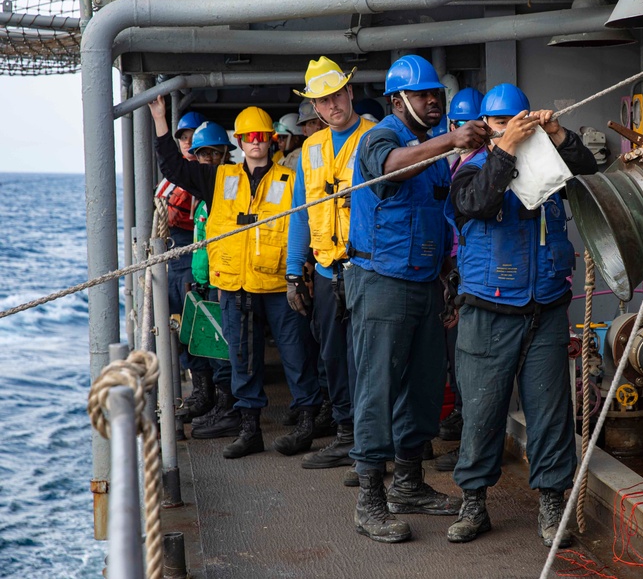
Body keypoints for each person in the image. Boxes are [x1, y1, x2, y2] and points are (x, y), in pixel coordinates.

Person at [445, 83, 597, 546]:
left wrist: (560, 134)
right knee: (482, 411)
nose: (510, 128)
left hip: (546, 308)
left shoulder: (550, 166)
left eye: (518, 119)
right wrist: (505, 150)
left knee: (551, 413)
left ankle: (552, 506)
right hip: (488, 312)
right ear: (485, 127)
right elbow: (477, 204)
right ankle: (474, 504)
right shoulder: (469, 172)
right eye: (499, 122)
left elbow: (591, 177)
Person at [346, 54, 488, 543]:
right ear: (398, 99)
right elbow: (388, 171)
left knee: (425, 387)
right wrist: (452, 139)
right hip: (381, 282)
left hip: (427, 283)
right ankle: (369, 500)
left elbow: (441, 218)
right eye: (424, 94)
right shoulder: (379, 138)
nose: (433, 101)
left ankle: (407, 485)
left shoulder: (431, 152)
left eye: (437, 95)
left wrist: (448, 278)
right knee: (377, 388)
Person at [150, 97, 325, 460]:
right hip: (234, 283)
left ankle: (307, 422)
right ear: (241, 143)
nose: (256, 141)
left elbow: (308, 225)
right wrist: (160, 121)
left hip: (279, 284)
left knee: (296, 353)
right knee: (242, 356)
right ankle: (249, 429)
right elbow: (173, 168)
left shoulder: (291, 180)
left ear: (271, 140)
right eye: (249, 136)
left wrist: (304, 272)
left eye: (262, 135)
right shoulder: (219, 177)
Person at [285, 57, 378, 475]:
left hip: (368, 269)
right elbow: (300, 213)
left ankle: (373, 442)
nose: (332, 105)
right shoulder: (310, 149)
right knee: (333, 356)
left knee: (371, 358)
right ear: (315, 108)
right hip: (325, 271)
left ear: (350, 92)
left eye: (337, 94)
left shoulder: (377, 137)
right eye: (322, 101)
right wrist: (293, 273)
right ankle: (346, 437)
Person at [433, 86, 485, 474]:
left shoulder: (485, 164)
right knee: (455, 357)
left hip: (473, 272)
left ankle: (472, 436)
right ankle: (463, 422)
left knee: (471, 362)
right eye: (456, 124)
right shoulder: (449, 163)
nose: (463, 130)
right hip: (452, 270)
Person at [155, 110, 214, 423]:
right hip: (174, 257)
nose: (188, 140)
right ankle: (201, 389)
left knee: (198, 327)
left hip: (194, 258)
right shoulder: (172, 177)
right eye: (183, 135)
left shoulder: (199, 176)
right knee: (179, 328)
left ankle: (207, 393)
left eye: (193, 135)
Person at [184, 121, 237, 430]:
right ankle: (218, 404)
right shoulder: (205, 195)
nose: (208, 160)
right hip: (206, 282)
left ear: (225, 155)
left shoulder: (226, 190)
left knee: (223, 353)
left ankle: (228, 411)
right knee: (209, 348)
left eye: (214, 154)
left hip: (221, 282)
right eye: (202, 154)